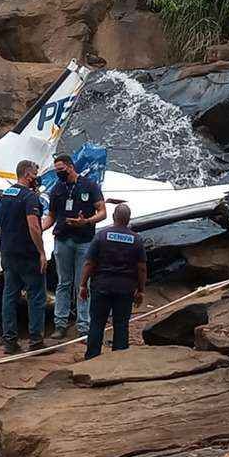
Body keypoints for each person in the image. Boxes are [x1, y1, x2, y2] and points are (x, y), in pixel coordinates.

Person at [46, 153, 106, 339]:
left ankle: (83, 325)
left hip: (84, 240)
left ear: (71, 167)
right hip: (63, 239)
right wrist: (38, 227)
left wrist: (87, 221)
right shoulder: (56, 189)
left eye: (61, 170)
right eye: (56, 171)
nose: (59, 174)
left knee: (83, 282)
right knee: (63, 282)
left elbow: (102, 212)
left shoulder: (89, 185)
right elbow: (52, 216)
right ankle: (60, 323)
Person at [79, 203, 146, 360]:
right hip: (125, 289)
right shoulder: (136, 240)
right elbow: (142, 268)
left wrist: (83, 284)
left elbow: (89, 263)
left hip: (101, 286)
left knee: (97, 323)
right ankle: (119, 359)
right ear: (128, 219)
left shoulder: (101, 236)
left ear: (113, 217)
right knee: (121, 324)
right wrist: (141, 290)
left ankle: (92, 358)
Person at [0, 160, 49, 355]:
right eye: (35, 174)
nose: (37, 178)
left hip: (7, 252)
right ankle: (36, 340)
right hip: (27, 254)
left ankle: (10, 341)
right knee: (36, 295)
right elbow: (34, 226)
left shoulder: (6, 194)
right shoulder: (29, 197)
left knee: (9, 295)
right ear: (28, 175)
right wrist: (42, 252)